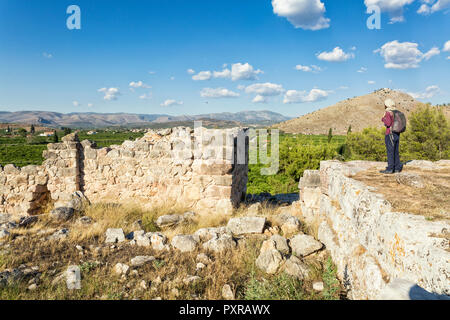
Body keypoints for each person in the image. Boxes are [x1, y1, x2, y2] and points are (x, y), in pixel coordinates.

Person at [380, 99, 403, 174]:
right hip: (397, 133)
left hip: (390, 134)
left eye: (385, 104)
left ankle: (390, 169)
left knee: (390, 151)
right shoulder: (396, 112)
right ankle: (397, 168)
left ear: (387, 105)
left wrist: (383, 118)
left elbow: (388, 123)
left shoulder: (388, 112)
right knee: (396, 151)